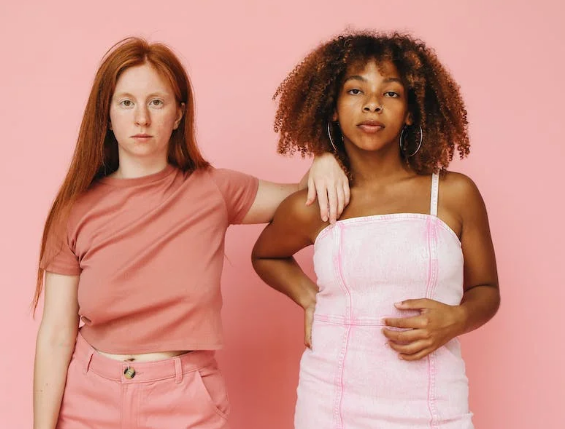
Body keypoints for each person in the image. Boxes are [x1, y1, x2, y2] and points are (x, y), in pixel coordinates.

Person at [32, 37, 349, 429]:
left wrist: (325, 157)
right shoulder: (74, 210)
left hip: (182, 399)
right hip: (88, 399)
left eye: (157, 102)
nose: (141, 118)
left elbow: (310, 201)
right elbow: (56, 333)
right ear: (107, 115)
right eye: (126, 102)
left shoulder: (214, 189)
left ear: (179, 114)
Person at [252, 31, 500, 428]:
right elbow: (265, 254)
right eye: (355, 91)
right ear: (333, 108)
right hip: (331, 406)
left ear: (411, 112)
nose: (372, 103)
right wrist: (309, 299)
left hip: (435, 405)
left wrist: (458, 318)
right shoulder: (319, 204)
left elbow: (486, 289)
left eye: (391, 93)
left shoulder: (454, 195)